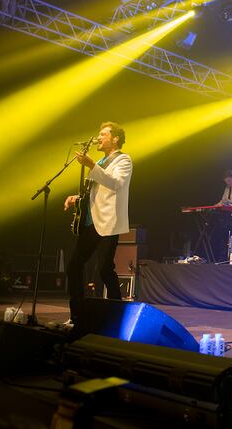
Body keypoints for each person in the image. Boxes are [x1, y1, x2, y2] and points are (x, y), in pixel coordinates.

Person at [64, 122, 132, 325]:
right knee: (74, 267)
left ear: (115, 139)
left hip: (108, 222)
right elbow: (97, 192)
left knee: (104, 269)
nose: (98, 138)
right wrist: (77, 197)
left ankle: (116, 314)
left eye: (103, 134)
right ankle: (77, 314)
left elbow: (115, 183)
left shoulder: (123, 160)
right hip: (90, 222)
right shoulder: (102, 160)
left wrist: (91, 165)